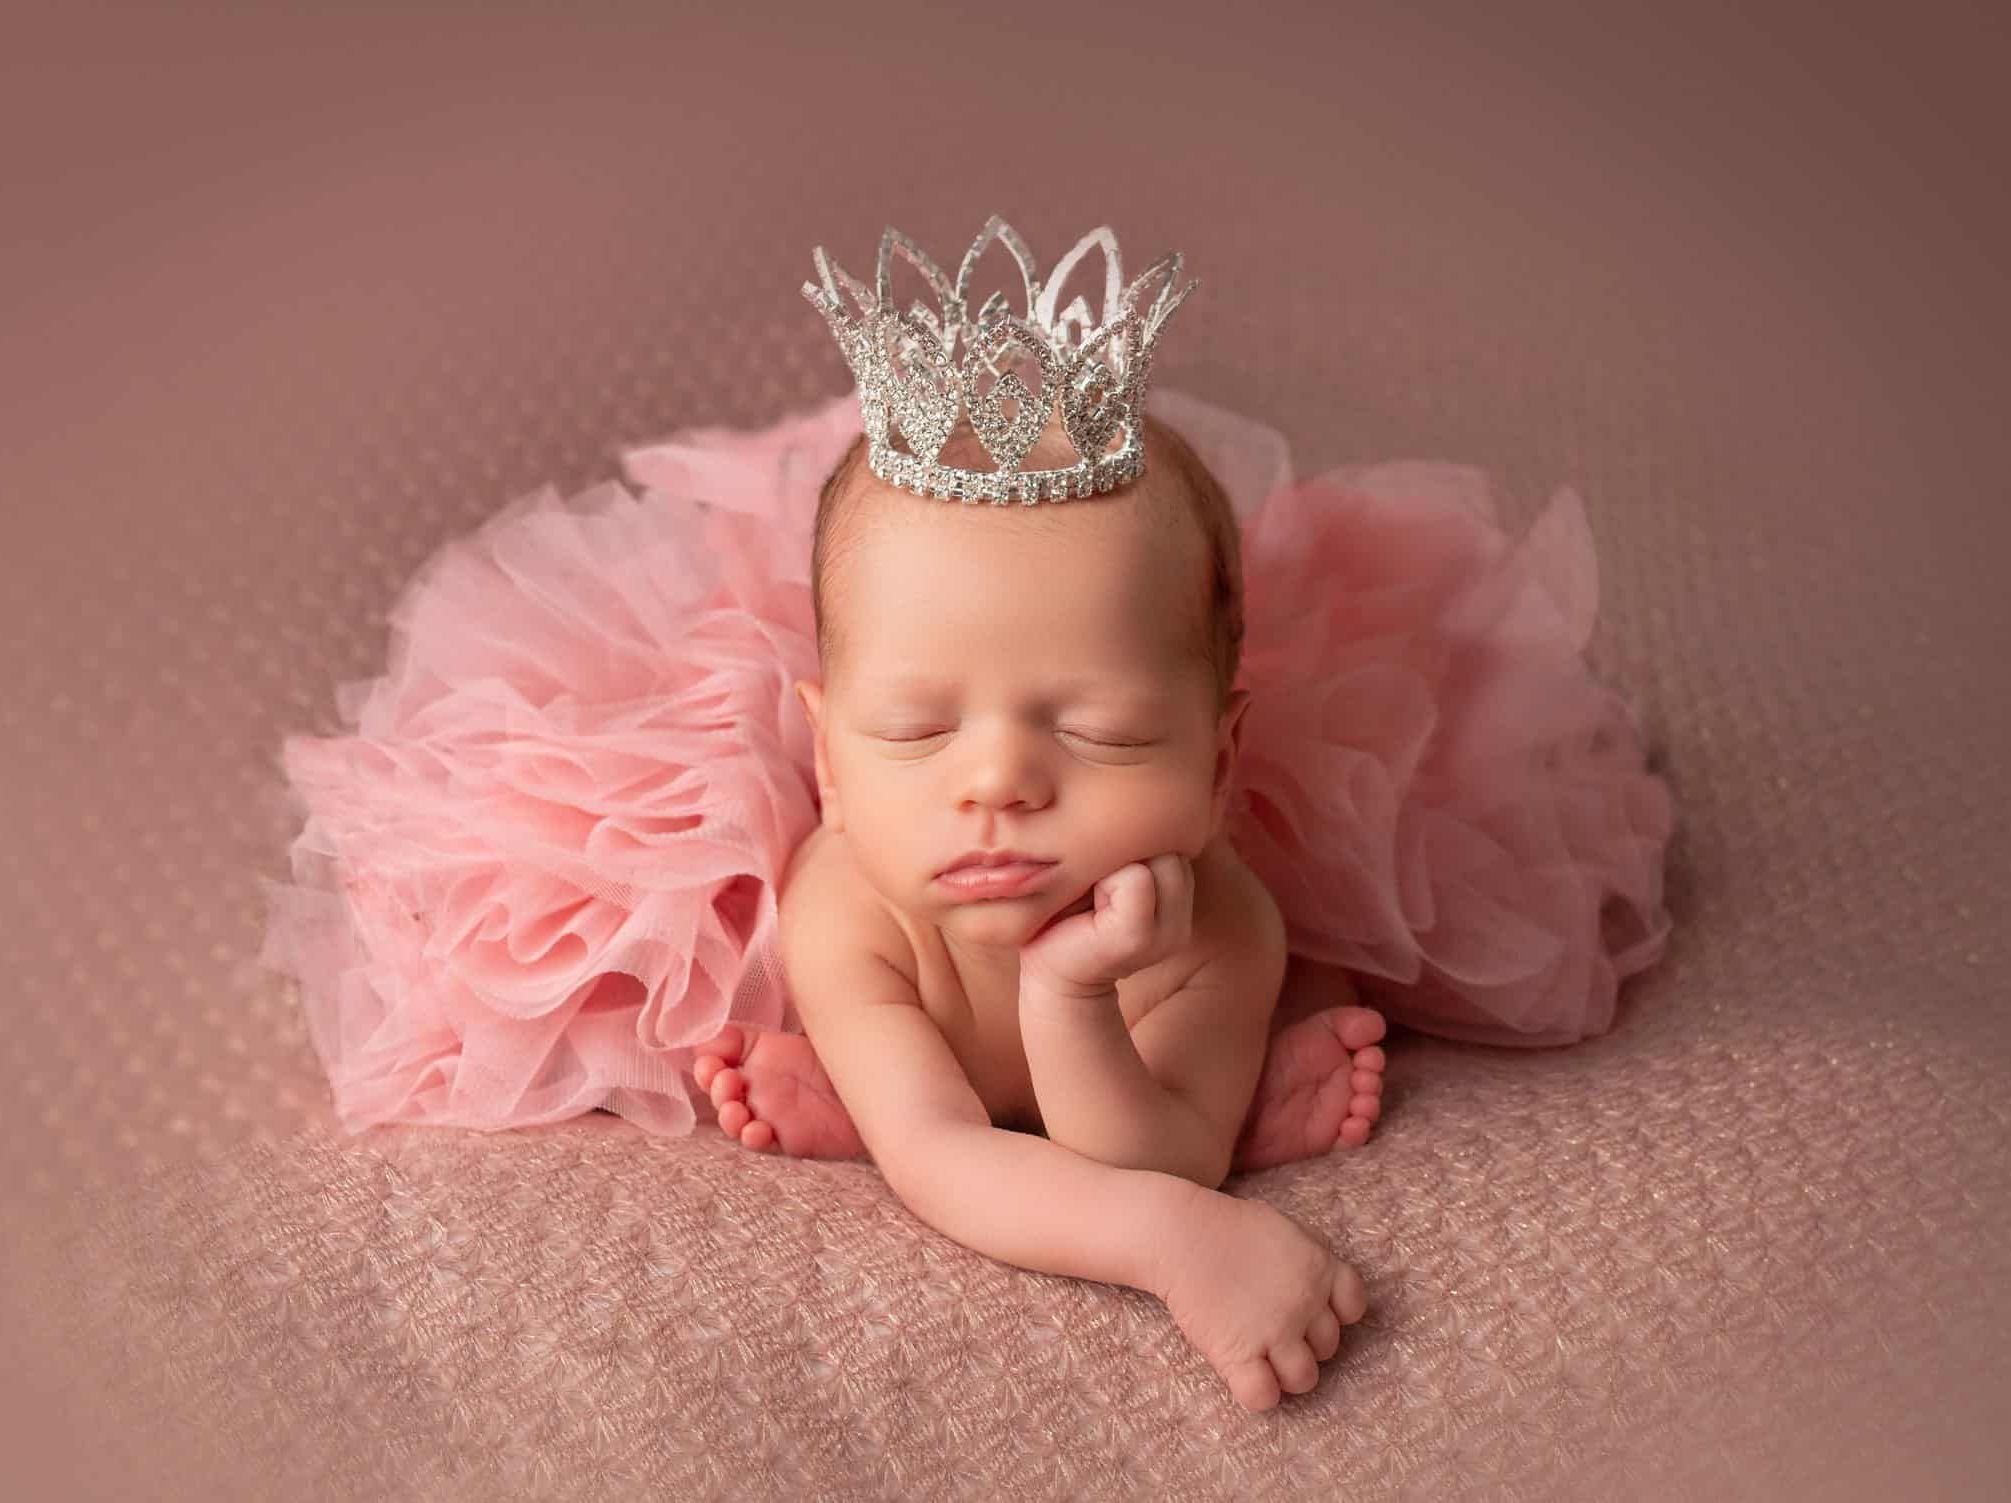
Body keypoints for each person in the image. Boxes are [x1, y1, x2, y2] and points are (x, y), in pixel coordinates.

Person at [258, 217, 1675, 1412]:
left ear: (1219, 763)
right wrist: (1181, 1234)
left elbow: (1142, 1157)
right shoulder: (849, 897)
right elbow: (995, 1173)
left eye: (1104, 730)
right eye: (916, 729)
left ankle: (1182, 1079)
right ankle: (926, 1089)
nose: (993, 782)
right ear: (825, 751)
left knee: (1291, 1000)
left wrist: (1076, 1001)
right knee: (870, 1089)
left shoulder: (1219, 910)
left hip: (1131, 1056)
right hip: (910, 1048)